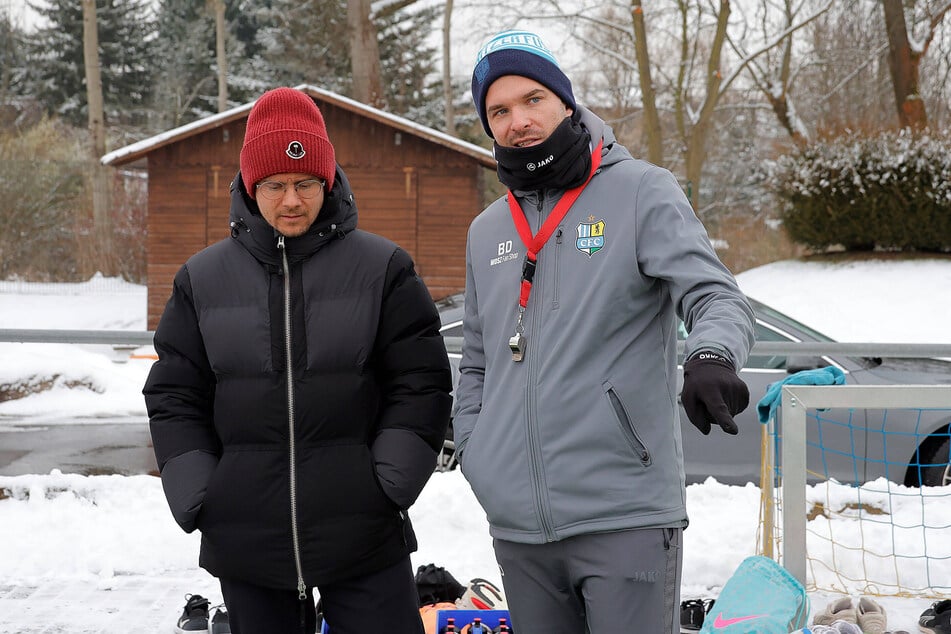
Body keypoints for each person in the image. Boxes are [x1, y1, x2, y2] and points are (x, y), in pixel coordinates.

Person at [453, 30, 756, 633]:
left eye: (533, 99)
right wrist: (476, 450)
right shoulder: (486, 231)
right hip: (520, 531)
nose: (519, 121)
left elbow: (714, 293)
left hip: (625, 516)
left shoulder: (641, 191)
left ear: (566, 102)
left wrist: (712, 354)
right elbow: (478, 361)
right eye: (499, 111)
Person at [143, 87, 452, 634]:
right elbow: (174, 395)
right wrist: (202, 493)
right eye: (276, 185)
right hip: (246, 539)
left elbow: (420, 383)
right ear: (249, 185)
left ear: (327, 182)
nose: (291, 201)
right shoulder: (202, 280)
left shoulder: (384, 269)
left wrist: (389, 484)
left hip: (364, 533)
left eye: (305, 183)